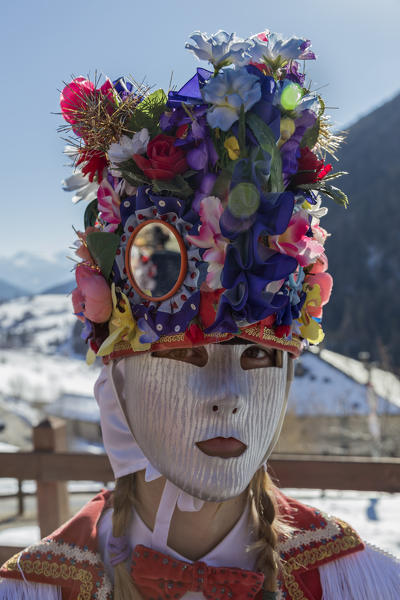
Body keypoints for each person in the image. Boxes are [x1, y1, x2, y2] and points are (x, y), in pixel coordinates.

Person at [1, 28, 399, 599]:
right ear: (116, 372)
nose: (229, 394)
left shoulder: (361, 584)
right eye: (185, 351)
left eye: (259, 353)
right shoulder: (35, 589)